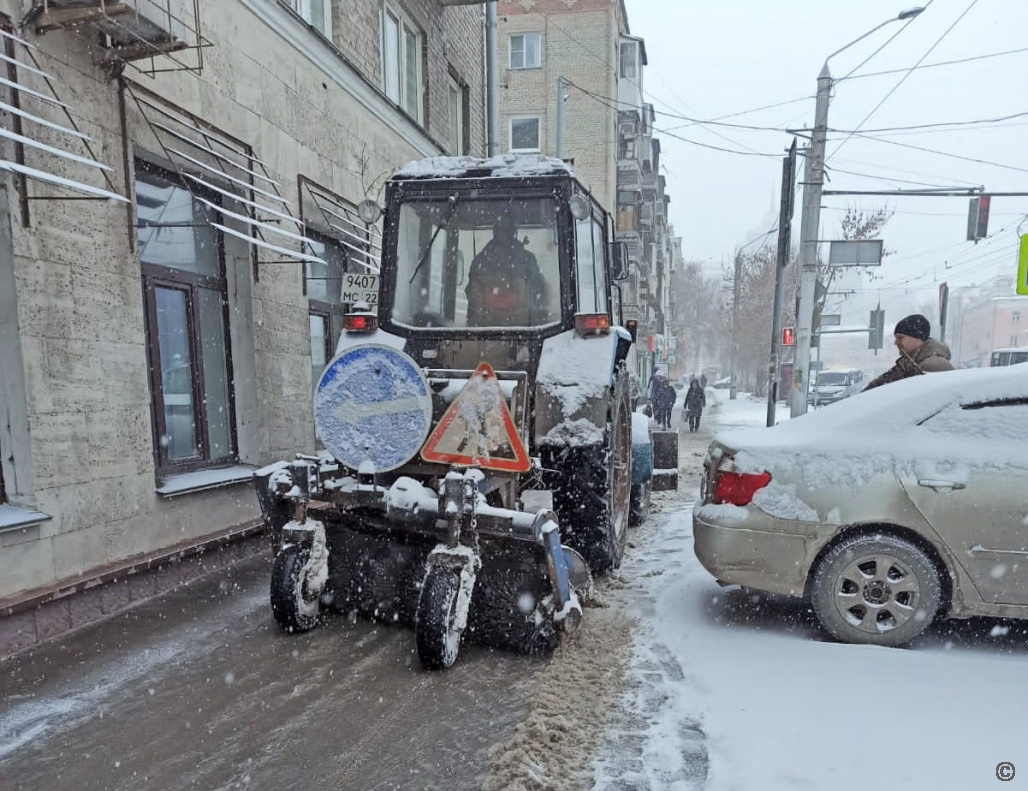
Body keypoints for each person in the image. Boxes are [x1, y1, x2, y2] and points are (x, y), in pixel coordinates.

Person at [465, 215, 550, 326]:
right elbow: (540, 294)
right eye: (502, 228)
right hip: (522, 330)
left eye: (506, 228)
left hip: (485, 331)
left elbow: (472, 296)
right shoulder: (527, 259)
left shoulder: (480, 261)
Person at [864, 313, 954, 391]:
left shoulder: (933, 366)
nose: (895, 342)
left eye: (900, 338)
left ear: (918, 338)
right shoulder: (909, 363)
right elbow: (878, 387)